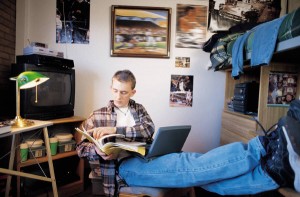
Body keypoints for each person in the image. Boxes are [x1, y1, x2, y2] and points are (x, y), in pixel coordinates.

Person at [76, 70, 297, 197]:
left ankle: (272, 173)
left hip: (147, 156)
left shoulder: (138, 109)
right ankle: (264, 146)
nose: (118, 96)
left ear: (133, 91)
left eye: (124, 92)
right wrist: (98, 151)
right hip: (123, 170)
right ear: (110, 87)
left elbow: (147, 130)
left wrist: (115, 130)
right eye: (115, 90)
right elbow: (81, 148)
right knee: (190, 164)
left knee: (203, 177)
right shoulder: (98, 115)